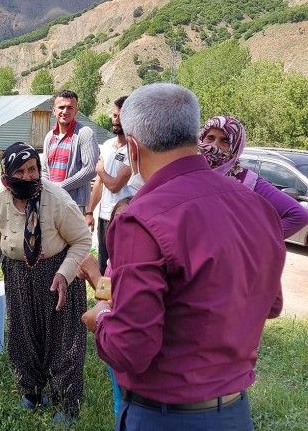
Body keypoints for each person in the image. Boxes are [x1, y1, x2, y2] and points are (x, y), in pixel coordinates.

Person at [81, 83, 285, 431]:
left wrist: (100, 320)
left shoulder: (142, 218)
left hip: (165, 415)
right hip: (234, 412)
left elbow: (130, 349)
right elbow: (272, 304)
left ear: (133, 147)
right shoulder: (257, 205)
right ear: (195, 137)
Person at [0, 142, 91, 428]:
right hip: (17, 275)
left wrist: (64, 274)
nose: (27, 176)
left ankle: (66, 403)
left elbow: (82, 240)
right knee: (23, 336)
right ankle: (32, 391)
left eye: (32, 169)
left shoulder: (57, 199)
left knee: (64, 340)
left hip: (57, 274)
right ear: (6, 173)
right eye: (20, 171)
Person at [198, 115, 308, 238]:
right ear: (201, 138)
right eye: (210, 138)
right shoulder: (188, 174)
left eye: (225, 141)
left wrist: (255, 241)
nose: (214, 146)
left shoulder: (247, 181)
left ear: (235, 147)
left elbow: (299, 215)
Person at [77, 196, 132, 417]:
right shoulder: (114, 259)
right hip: (112, 335)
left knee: (127, 398)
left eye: (129, 221)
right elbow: (106, 295)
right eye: (116, 220)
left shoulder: (133, 263)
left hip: (125, 340)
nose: (121, 227)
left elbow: (119, 298)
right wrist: (93, 278)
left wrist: (94, 274)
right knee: (119, 398)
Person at [85, 96, 135, 275]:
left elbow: (114, 186)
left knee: (119, 267)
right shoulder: (106, 145)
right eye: (114, 115)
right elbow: (100, 183)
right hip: (104, 217)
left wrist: (100, 170)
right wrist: (90, 212)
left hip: (123, 217)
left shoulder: (135, 150)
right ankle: (103, 294)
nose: (116, 120)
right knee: (103, 266)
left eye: (121, 116)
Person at [41, 90, 99, 214]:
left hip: (74, 204)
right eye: (61, 107)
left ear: (76, 111)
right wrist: (48, 188)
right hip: (51, 201)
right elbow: (45, 169)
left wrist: (59, 187)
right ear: (54, 110)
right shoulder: (49, 137)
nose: (65, 111)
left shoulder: (85, 133)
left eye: (70, 108)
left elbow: (90, 169)